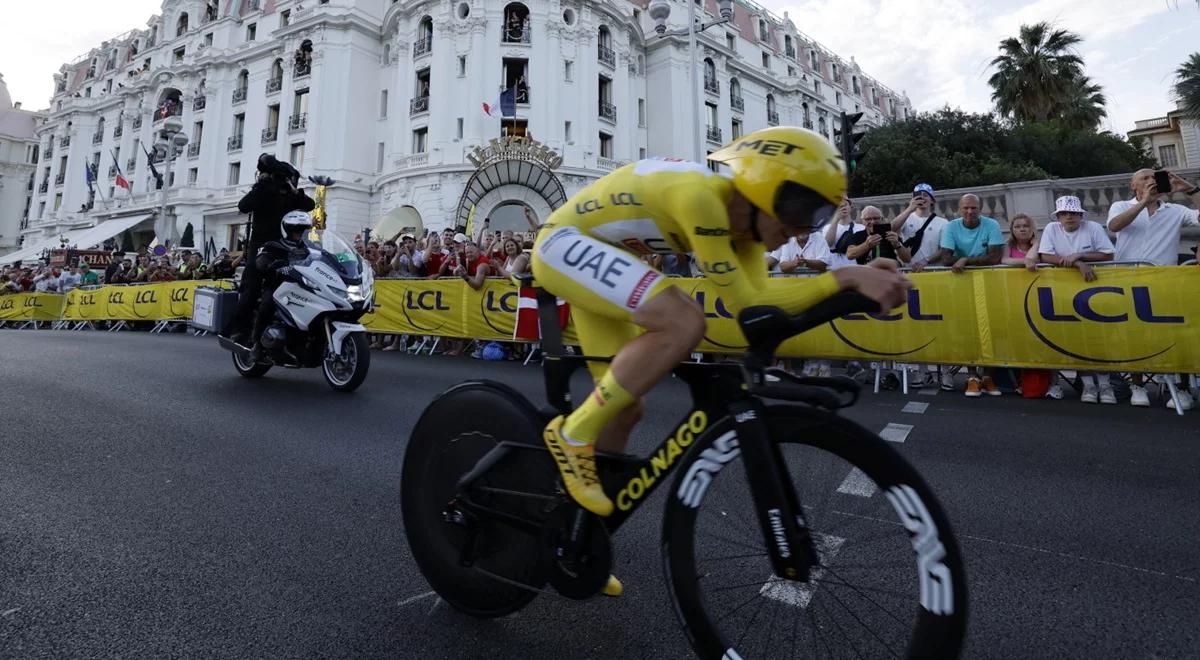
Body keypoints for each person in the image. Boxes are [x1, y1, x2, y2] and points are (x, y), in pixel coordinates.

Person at [531, 126, 909, 538]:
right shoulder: (701, 199)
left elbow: (756, 305)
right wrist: (846, 277)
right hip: (563, 243)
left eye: (819, 216)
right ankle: (572, 435)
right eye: (804, 210)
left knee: (625, 408)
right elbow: (749, 299)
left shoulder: (743, 233)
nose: (804, 229)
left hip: (604, 250)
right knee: (683, 321)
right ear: (764, 189)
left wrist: (849, 277)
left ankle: (580, 539)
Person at [1107, 168, 1200, 408]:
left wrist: (1189, 189)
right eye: (1145, 178)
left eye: (1154, 178)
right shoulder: (1120, 206)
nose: (1151, 181)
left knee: (1174, 335)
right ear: (1133, 185)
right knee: (1134, 335)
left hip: (1164, 283)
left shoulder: (1175, 211)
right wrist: (1144, 203)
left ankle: (1182, 389)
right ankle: (1137, 385)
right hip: (1129, 282)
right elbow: (1115, 226)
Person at [1032, 195, 1116, 403]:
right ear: (1058, 216)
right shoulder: (1051, 229)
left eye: (1073, 213)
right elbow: (1044, 256)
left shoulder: (1094, 227)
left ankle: (1105, 385)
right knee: (1077, 339)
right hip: (1063, 291)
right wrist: (1077, 263)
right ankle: (1088, 385)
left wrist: (1078, 256)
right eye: (1064, 213)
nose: (1069, 217)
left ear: (1080, 215)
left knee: (1100, 338)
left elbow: (1108, 254)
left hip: (1097, 289)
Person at [226, 154, 315, 343]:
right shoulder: (264, 191)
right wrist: (261, 186)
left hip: (287, 250)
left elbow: (310, 205)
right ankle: (239, 330)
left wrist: (294, 191)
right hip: (262, 249)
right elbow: (243, 205)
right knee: (252, 286)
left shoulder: (291, 196)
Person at [931, 193, 1004, 396]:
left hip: (989, 284)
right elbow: (946, 259)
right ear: (959, 209)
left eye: (974, 208)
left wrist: (964, 260)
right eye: (966, 208)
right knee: (966, 329)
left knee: (992, 329)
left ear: (980, 208)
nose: (970, 211)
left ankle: (988, 376)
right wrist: (970, 260)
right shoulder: (951, 226)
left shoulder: (992, 225)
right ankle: (971, 376)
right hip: (961, 285)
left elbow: (995, 258)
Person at [248, 210, 315, 361]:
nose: (299, 233)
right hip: (277, 286)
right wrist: (271, 264)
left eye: (302, 230)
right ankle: (257, 344)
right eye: (295, 230)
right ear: (287, 230)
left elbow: (321, 259)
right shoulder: (273, 245)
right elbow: (261, 260)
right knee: (267, 304)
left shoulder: (309, 248)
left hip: (302, 286)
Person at [892, 183, 948, 272]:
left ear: (932, 200)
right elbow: (892, 228)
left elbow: (944, 248)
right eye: (918, 195)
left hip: (932, 271)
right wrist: (910, 209)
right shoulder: (906, 218)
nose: (922, 198)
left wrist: (926, 261)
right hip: (909, 271)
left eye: (925, 195)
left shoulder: (943, 222)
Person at [834, 205, 907, 265]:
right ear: (863, 221)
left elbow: (907, 259)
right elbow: (850, 254)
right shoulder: (857, 235)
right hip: (867, 276)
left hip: (889, 275)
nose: (872, 222)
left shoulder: (890, 234)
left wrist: (898, 245)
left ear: (882, 219)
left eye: (876, 218)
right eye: (868, 219)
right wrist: (867, 245)